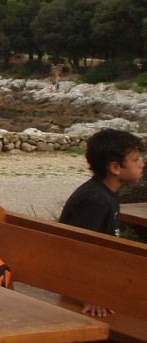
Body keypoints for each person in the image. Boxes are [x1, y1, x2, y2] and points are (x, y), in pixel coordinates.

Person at [60, 128, 145, 317]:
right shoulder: (95, 200)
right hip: (85, 286)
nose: (142, 164)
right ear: (115, 168)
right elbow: (75, 250)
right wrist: (89, 294)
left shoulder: (105, 193)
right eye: (135, 160)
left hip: (103, 277)